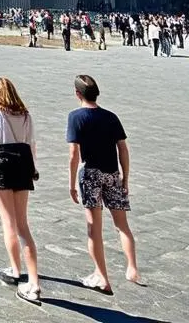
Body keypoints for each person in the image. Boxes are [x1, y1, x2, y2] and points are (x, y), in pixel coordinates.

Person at [67, 74, 142, 295]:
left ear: (77, 94)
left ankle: (102, 276)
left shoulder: (76, 117)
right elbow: (123, 149)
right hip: (112, 173)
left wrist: (71, 184)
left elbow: (74, 154)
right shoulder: (111, 117)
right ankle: (132, 269)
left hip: (90, 174)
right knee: (122, 225)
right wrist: (125, 177)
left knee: (94, 229)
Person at [0, 77, 41, 304]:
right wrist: (33, 167)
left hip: (1, 164)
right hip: (23, 165)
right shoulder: (25, 115)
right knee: (23, 224)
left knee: (8, 223)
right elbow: (31, 143)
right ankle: (33, 280)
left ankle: (16, 270)